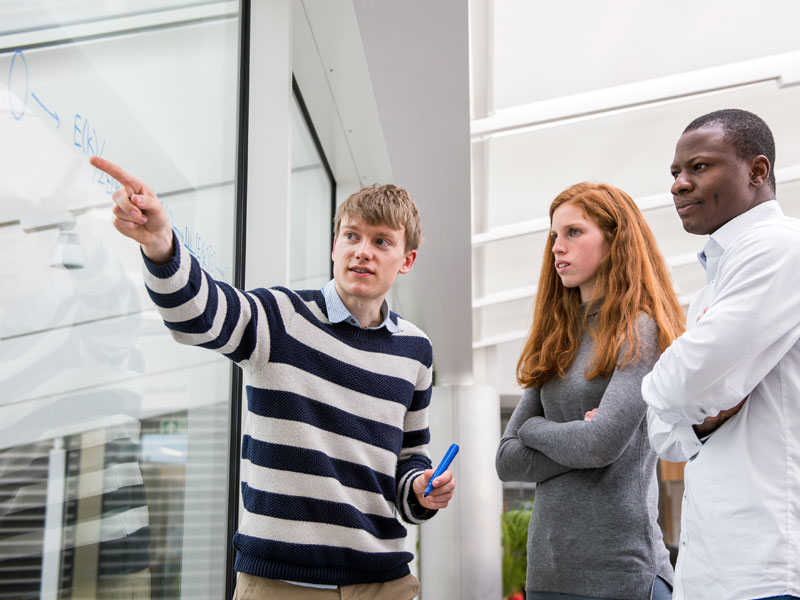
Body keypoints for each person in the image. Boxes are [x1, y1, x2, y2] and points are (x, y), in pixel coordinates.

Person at [89, 156, 455, 600]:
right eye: (351, 236)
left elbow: (409, 460)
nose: (362, 250)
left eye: (381, 242)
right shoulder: (280, 318)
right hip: (282, 584)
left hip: (384, 582)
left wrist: (421, 489)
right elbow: (196, 316)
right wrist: (161, 245)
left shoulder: (416, 349)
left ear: (407, 260)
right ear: (334, 246)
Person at [496, 182, 684, 600]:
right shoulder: (558, 339)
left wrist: (535, 430)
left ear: (615, 239)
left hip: (622, 575)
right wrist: (569, 438)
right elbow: (507, 459)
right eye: (553, 236)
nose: (557, 247)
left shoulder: (641, 330)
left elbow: (600, 445)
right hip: (548, 575)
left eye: (574, 232)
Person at [642, 109, 800, 600]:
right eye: (674, 173)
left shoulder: (781, 248)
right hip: (713, 567)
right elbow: (664, 435)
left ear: (757, 171)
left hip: (767, 565)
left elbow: (684, 384)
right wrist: (697, 420)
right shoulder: (717, 277)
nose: (679, 185)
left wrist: (670, 391)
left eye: (699, 167)